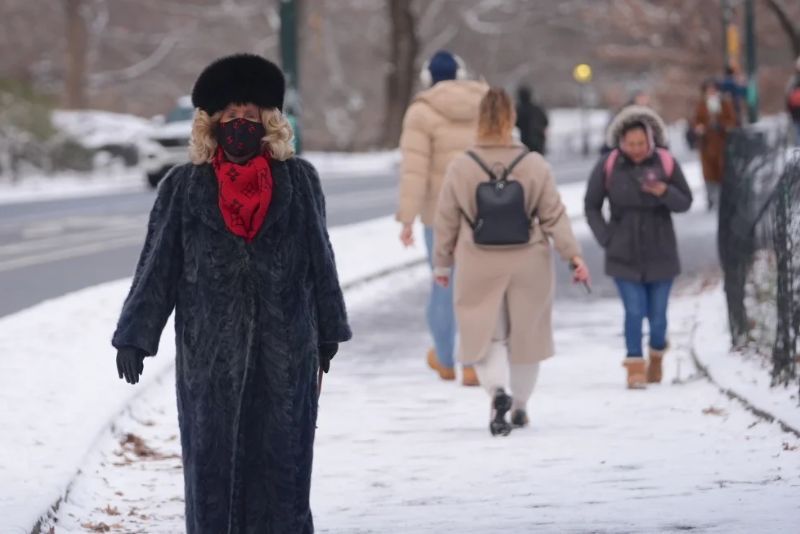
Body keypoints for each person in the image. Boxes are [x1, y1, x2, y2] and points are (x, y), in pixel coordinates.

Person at [112, 54, 351, 533]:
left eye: (250, 114)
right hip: (209, 361)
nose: (240, 123)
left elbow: (320, 258)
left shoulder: (299, 181)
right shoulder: (182, 187)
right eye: (230, 114)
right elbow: (158, 266)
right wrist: (135, 334)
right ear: (212, 121)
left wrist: (328, 333)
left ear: (268, 121)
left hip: (286, 357)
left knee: (284, 474)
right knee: (212, 472)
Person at [434, 88, 589, 435]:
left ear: (480, 120)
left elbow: (445, 219)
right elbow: (554, 215)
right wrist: (573, 255)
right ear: (512, 119)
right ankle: (520, 404)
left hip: (478, 259)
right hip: (529, 260)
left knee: (487, 332)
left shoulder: (461, 166)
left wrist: (442, 264)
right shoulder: (534, 164)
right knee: (527, 335)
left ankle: (497, 392)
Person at [396, 50, 488, 386]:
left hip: (440, 215)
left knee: (443, 285)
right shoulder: (485, 104)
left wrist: (407, 219)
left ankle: (447, 360)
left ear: (428, 77)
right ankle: (475, 360)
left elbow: (414, 170)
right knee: (477, 287)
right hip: (484, 212)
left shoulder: (422, 111)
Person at [584, 105, 693, 389]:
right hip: (623, 251)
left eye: (640, 144)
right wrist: (606, 237)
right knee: (634, 311)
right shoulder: (608, 165)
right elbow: (591, 205)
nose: (635, 149)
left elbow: (686, 202)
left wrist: (665, 192)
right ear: (621, 142)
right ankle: (634, 366)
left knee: (657, 318)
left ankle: (656, 355)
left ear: (651, 140)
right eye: (630, 144)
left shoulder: (666, 162)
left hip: (661, 250)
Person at [693, 80, 737, 210]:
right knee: (708, 173)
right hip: (706, 144)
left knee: (723, 171)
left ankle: (724, 198)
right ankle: (711, 198)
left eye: (713, 89)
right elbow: (696, 121)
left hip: (723, 143)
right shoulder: (701, 104)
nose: (711, 92)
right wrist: (701, 127)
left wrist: (723, 126)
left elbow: (732, 121)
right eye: (708, 90)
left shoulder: (725, 103)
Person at [515, 84, 549, 154]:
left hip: (526, 141)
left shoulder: (519, 109)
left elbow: (516, 122)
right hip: (539, 141)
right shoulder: (537, 108)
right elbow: (545, 121)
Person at [787, 56, 800, 146]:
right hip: (795, 113)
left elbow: (788, 98)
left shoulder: (793, 81)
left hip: (795, 114)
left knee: (797, 134)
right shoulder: (794, 81)